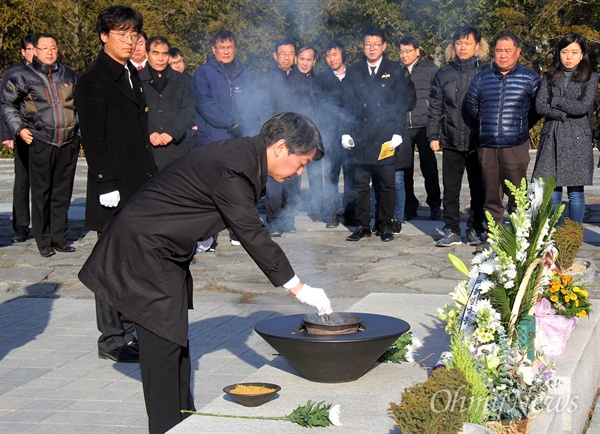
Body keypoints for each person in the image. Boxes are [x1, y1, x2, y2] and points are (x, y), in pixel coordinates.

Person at [78, 112, 333, 434]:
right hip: (144, 252)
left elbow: (198, 195)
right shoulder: (238, 166)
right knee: (163, 353)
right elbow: (252, 233)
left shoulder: (244, 155)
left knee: (174, 345)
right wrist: (298, 288)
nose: (300, 171)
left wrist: (203, 232)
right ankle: (167, 427)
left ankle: (183, 422)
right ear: (281, 147)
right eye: (302, 162)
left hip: (160, 250)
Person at [75, 5, 157, 364]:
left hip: (137, 185)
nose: (129, 40)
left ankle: (128, 329)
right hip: (113, 189)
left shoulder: (129, 73)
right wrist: (106, 181)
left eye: (133, 34)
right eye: (121, 34)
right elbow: (93, 138)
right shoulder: (94, 80)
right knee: (111, 265)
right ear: (104, 36)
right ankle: (112, 338)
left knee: (132, 264)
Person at [1, 33, 79, 257]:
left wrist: (78, 132)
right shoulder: (22, 76)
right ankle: (43, 239)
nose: (50, 52)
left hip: (68, 141)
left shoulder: (69, 74)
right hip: (39, 140)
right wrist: (19, 129)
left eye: (53, 47)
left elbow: (79, 105)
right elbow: (7, 105)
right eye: (44, 48)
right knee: (41, 192)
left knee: (62, 192)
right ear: (35, 51)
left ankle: (59, 237)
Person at [342, 26, 415, 242]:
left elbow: (402, 102)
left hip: (385, 136)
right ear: (362, 46)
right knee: (361, 185)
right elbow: (346, 102)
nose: (372, 48)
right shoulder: (354, 71)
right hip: (360, 136)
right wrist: (345, 132)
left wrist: (398, 133)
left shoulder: (394, 69)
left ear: (384, 46)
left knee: (386, 184)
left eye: (376, 44)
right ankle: (362, 225)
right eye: (367, 44)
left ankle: (384, 224)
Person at [466, 32, 541, 229]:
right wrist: (487, 124)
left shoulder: (530, 78)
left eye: (508, 50)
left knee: (517, 194)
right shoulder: (482, 78)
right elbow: (471, 106)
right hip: (488, 146)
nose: (503, 55)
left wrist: (520, 126)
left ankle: (519, 235)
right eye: (499, 50)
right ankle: (493, 236)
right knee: (491, 194)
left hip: (515, 146)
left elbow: (537, 108)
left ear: (518, 52)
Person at [192, 30, 256, 247]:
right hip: (213, 137)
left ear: (235, 49)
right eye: (222, 47)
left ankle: (237, 230)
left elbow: (252, 102)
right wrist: (231, 121)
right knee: (210, 187)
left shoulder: (245, 73)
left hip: (238, 138)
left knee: (238, 187)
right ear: (214, 49)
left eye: (229, 47)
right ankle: (207, 235)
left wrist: (246, 122)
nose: (226, 51)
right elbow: (205, 105)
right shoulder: (203, 73)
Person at [427, 24, 488, 247]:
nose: (463, 47)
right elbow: (435, 107)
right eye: (459, 43)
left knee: (477, 188)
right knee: (450, 189)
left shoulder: (486, 72)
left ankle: (475, 228)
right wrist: (433, 135)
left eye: (468, 43)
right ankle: (451, 229)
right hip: (451, 139)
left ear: (477, 45)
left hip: (478, 141)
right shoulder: (444, 73)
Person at [532, 33, 598, 224]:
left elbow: (583, 107)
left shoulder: (591, 78)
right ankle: (553, 232)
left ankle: (573, 233)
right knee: (553, 192)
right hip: (551, 137)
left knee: (576, 192)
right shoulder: (549, 77)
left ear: (582, 54)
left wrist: (556, 101)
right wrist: (562, 113)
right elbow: (540, 106)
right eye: (564, 52)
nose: (569, 57)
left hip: (577, 139)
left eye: (574, 52)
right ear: (558, 53)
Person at [257, 37, 316, 236]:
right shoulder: (267, 78)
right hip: (275, 138)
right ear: (275, 55)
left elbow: (309, 106)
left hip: (297, 138)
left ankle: (288, 220)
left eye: (291, 54)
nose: (287, 58)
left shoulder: (301, 78)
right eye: (283, 54)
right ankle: (273, 222)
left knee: (294, 180)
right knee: (274, 182)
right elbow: (262, 109)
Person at [312, 39, 354, 228]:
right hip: (330, 133)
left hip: (353, 133)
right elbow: (321, 107)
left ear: (342, 55)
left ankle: (352, 213)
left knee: (353, 176)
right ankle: (333, 213)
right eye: (328, 55)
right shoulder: (321, 80)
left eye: (334, 54)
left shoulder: (355, 75)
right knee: (331, 176)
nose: (331, 59)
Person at [399, 36, 441, 222]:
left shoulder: (431, 70)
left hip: (425, 126)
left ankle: (434, 205)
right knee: (405, 169)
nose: (404, 55)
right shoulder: (396, 71)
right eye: (401, 51)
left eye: (408, 51)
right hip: (403, 126)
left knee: (429, 168)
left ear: (417, 51)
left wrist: (436, 125)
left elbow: (439, 97)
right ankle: (410, 206)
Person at [140, 35, 195, 170]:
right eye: (155, 53)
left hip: (176, 149)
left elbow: (187, 109)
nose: (160, 58)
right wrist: (149, 132)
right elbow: (133, 111)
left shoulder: (182, 81)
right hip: (146, 150)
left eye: (164, 54)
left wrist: (172, 132)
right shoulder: (136, 79)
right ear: (146, 54)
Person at [0, 34, 35, 244]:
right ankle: (21, 225)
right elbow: (4, 105)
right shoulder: (13, 72)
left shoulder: (54, 71)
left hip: (45, 134)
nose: (33, 53)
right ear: (23, 52)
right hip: (20, 131)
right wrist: (7, 134)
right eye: (29, 49)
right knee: (22, 181)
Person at [296, 45, 324, 222]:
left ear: (314, 62)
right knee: (293, 171)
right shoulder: (290, 79)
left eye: (309, 60)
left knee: (315, 173)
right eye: (302, 59)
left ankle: (317, 210)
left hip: (316, 132)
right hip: (296, 131)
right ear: (296, 59)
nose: (305, 63)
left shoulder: (319, 80)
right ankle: (289, 208)